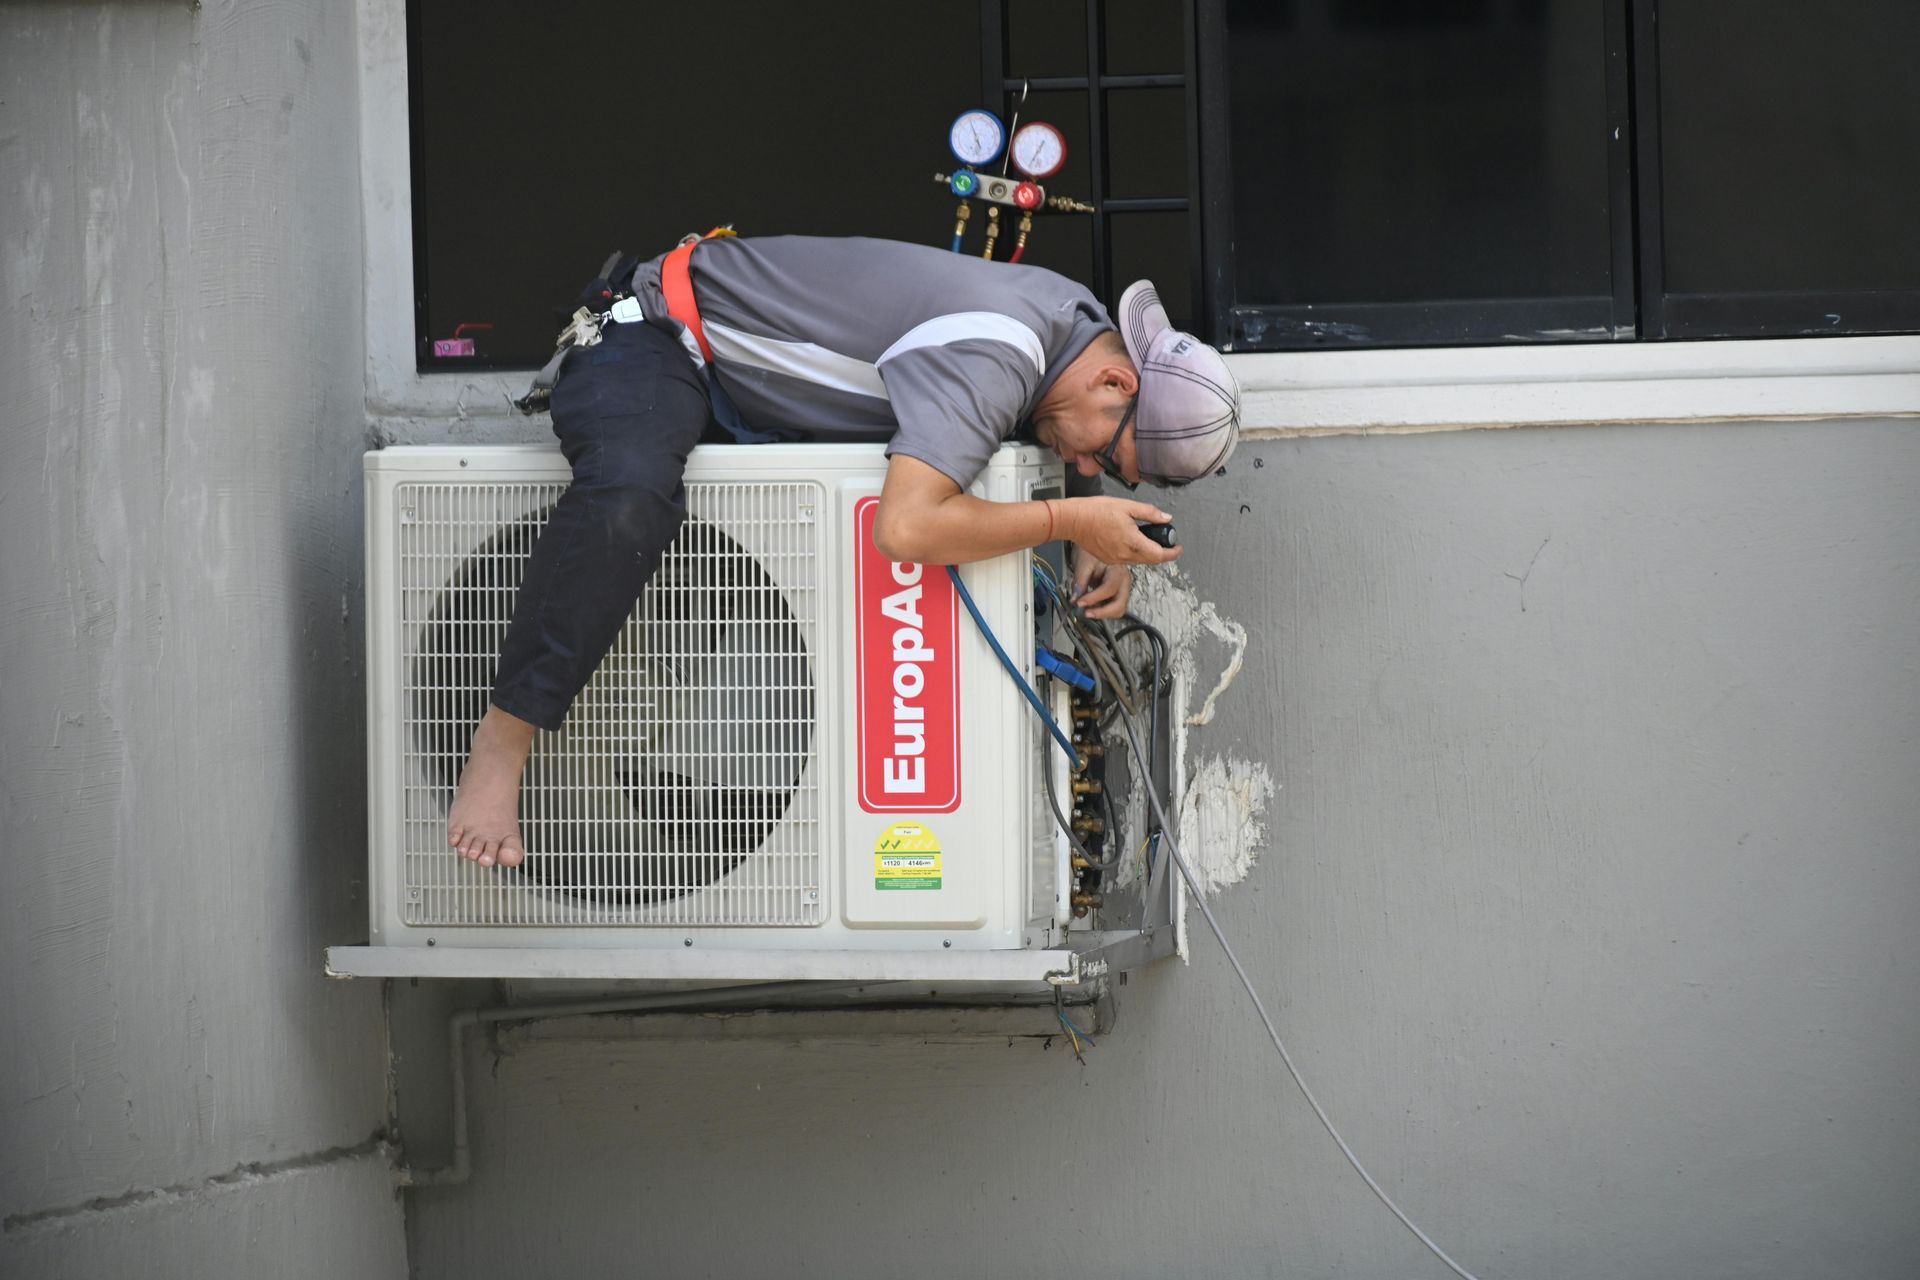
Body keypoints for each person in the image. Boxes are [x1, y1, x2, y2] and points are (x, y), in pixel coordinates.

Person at [448, 234, 1241, 869]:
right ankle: (502, 740)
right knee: (629, 495)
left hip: (741, 396)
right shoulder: (999, 352)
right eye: (1109, 454)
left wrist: (1090, 506)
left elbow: (1071, 423)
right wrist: (1068, 521)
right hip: (655, 335)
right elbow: (905, 529)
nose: (1092, 465)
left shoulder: (1077, 321)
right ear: (1115, 380)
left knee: (714, 584)